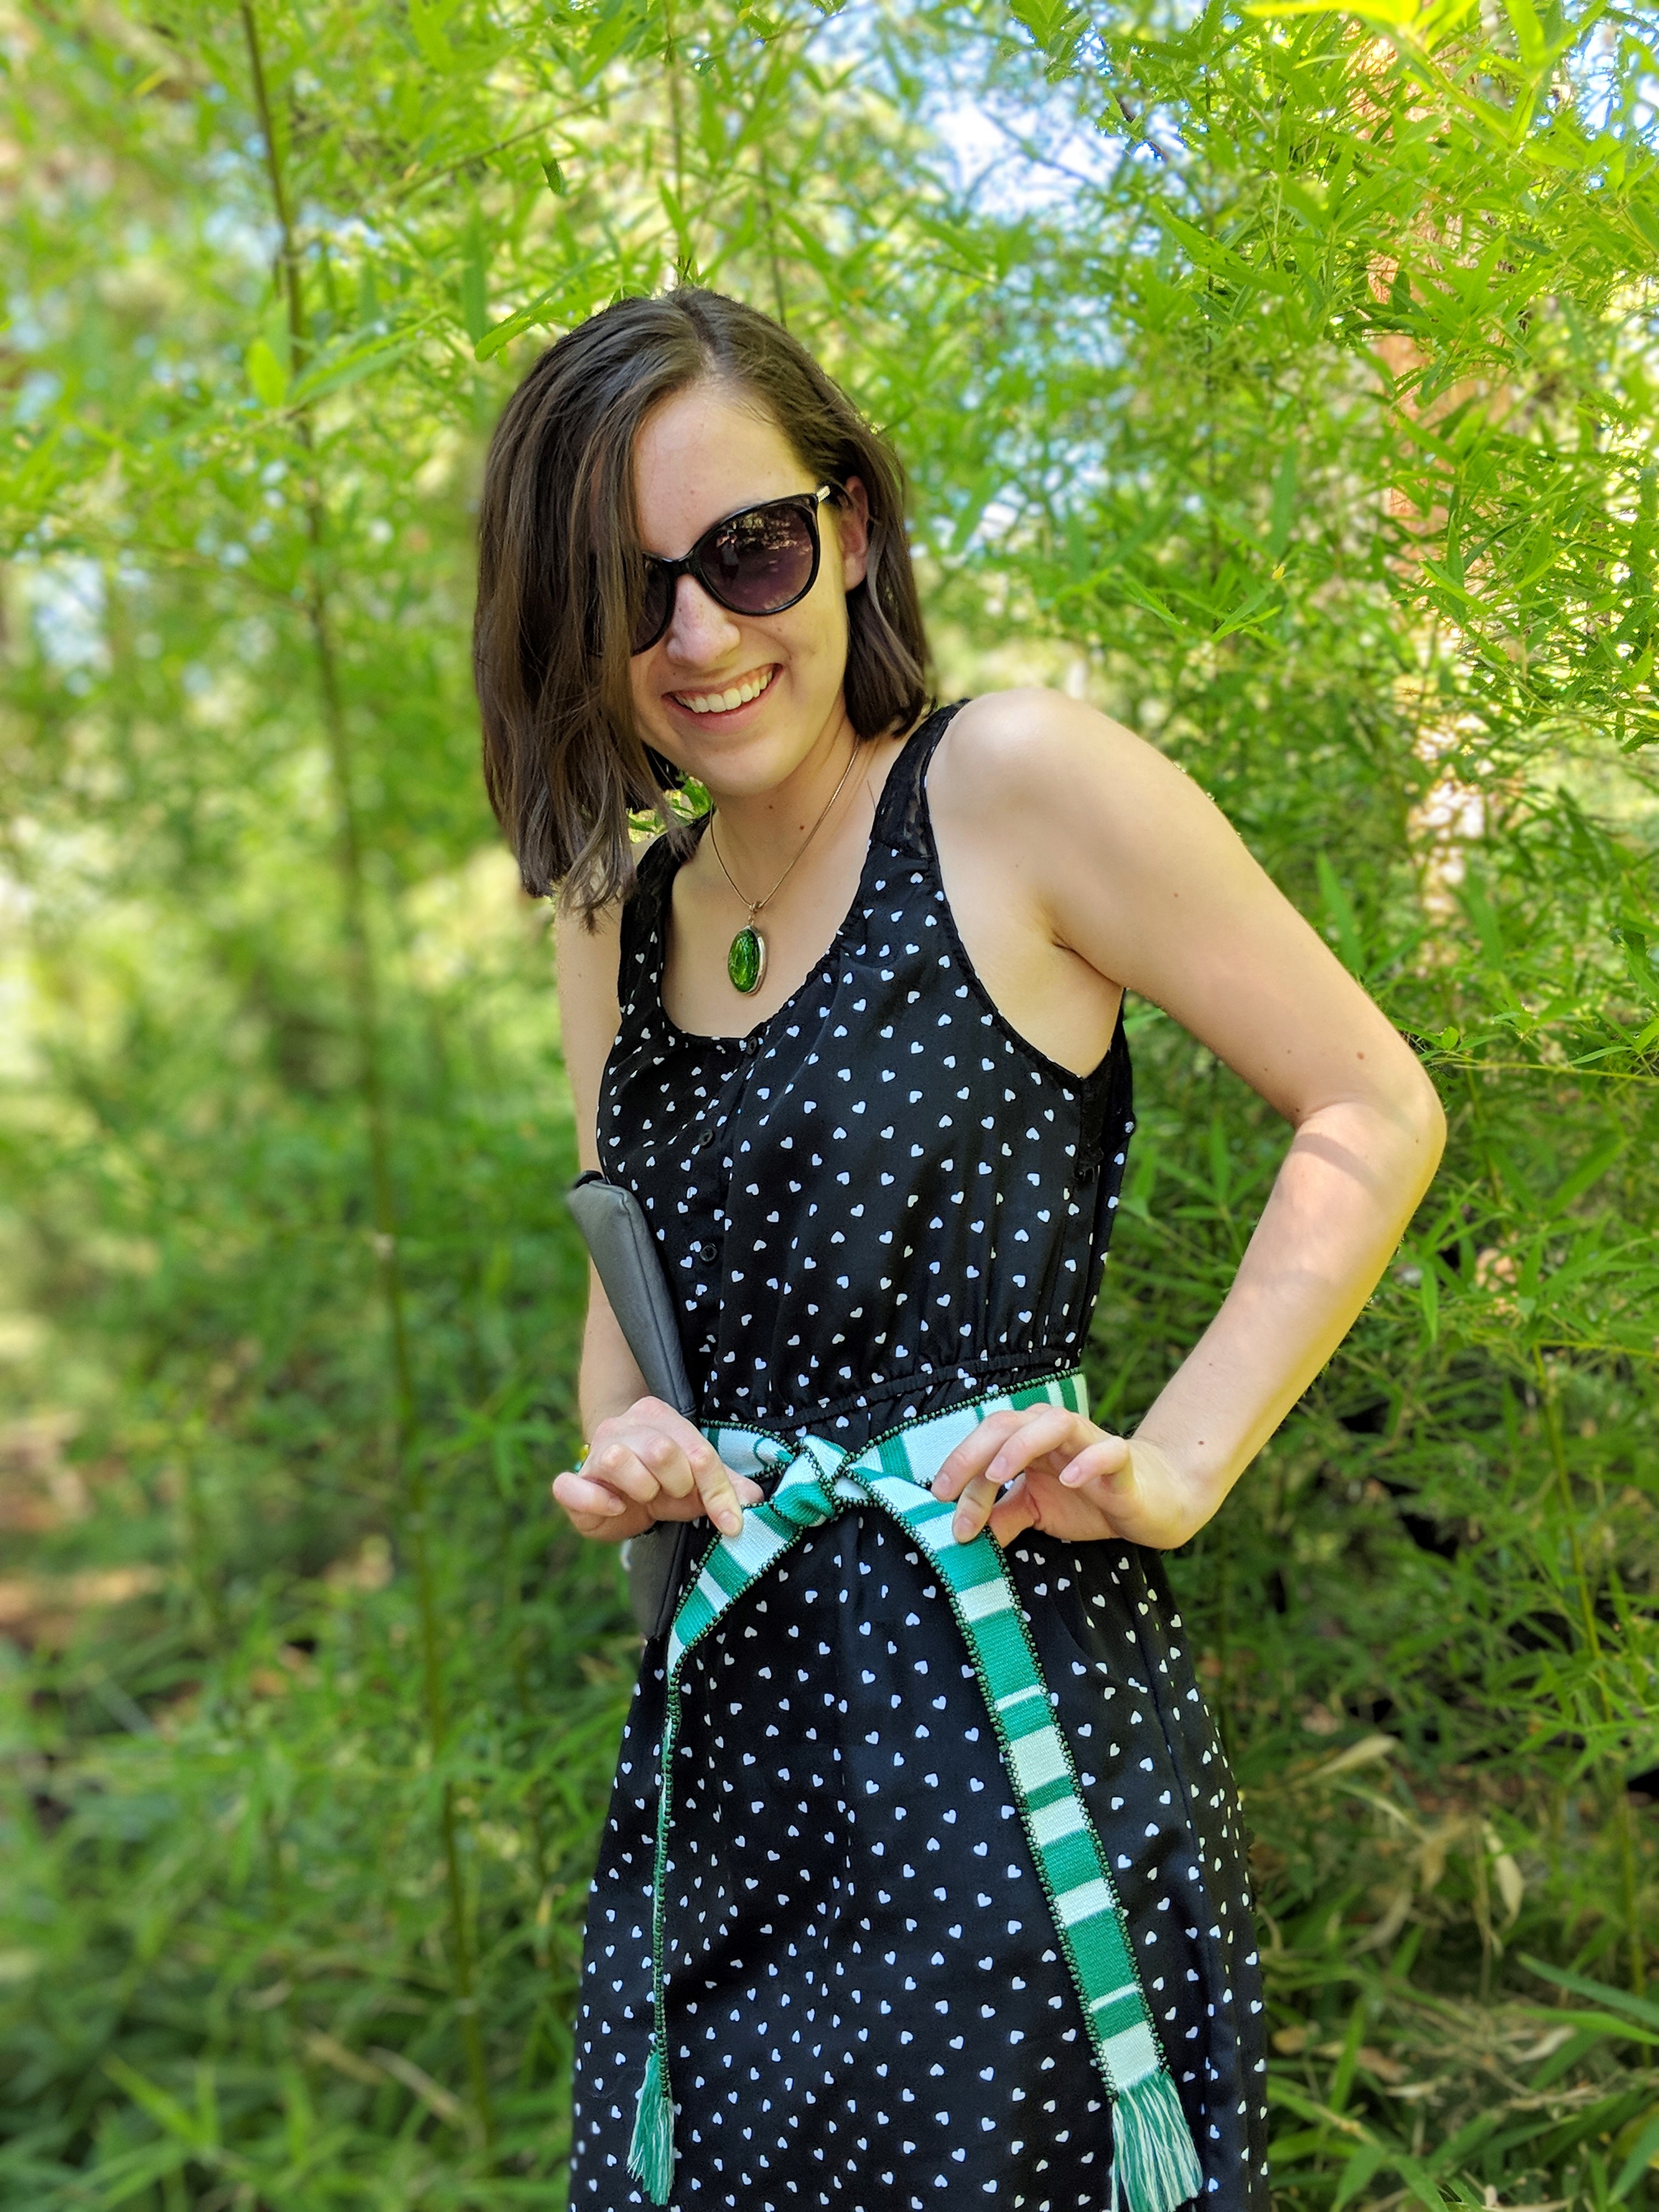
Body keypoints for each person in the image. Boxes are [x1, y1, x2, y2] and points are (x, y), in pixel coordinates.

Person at [472, 286, 1445, 2212]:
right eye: (625, 583)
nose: (700, 633)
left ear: (844, 526)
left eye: (747, 551)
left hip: (1005, 1746)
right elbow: (624, 1290)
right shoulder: (618, 909)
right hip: (724, 1766)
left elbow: (1369, 1107)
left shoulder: (1011, 789)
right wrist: (639, 1446)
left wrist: (1174, 1467)